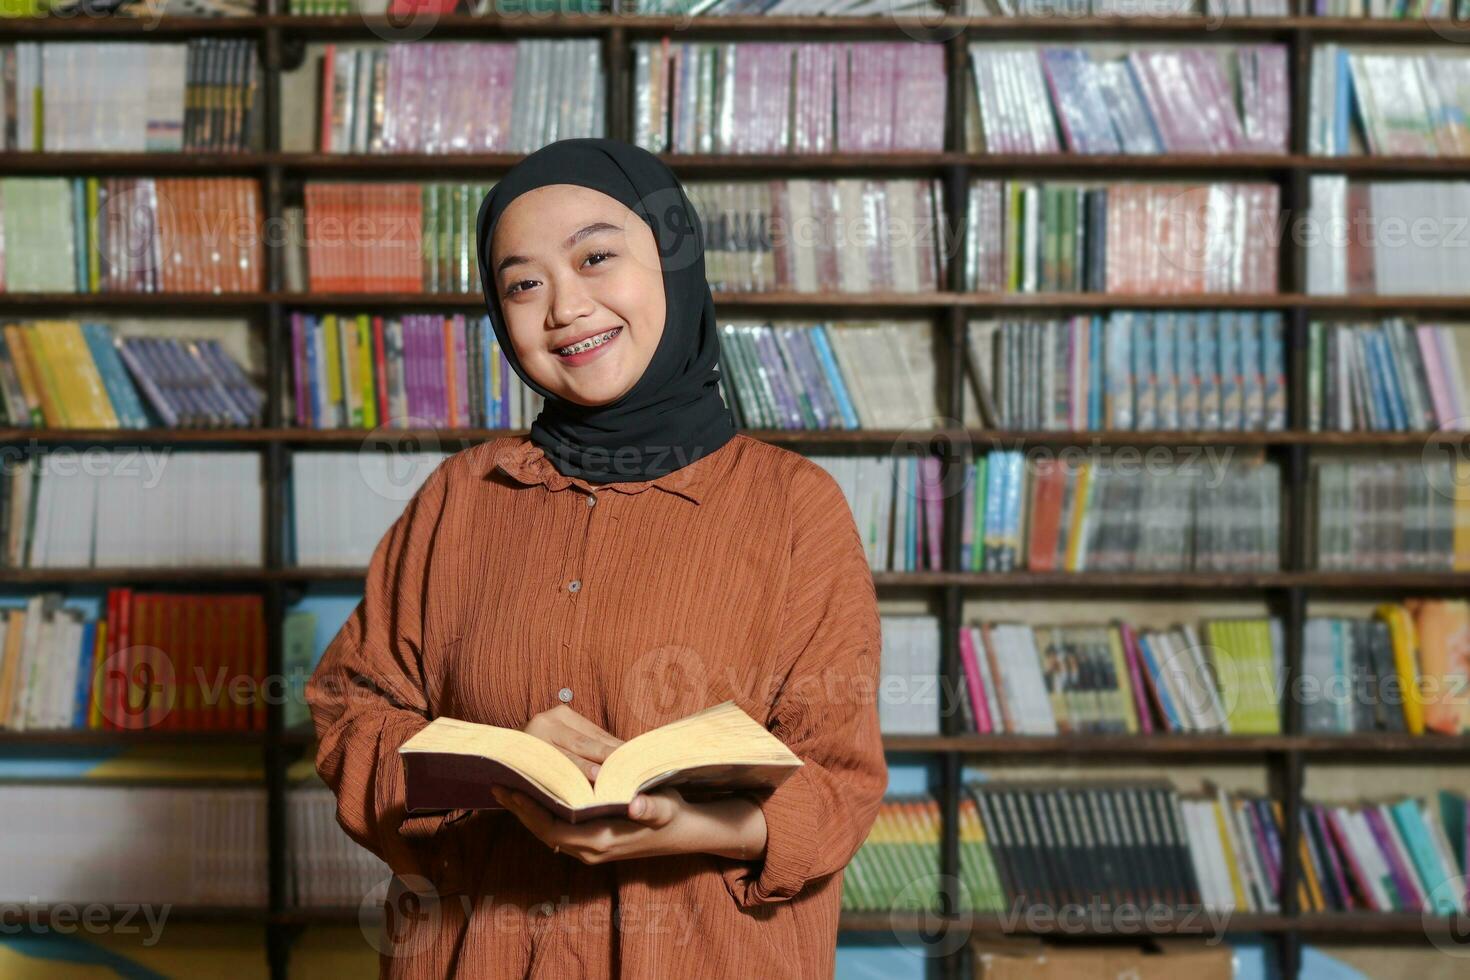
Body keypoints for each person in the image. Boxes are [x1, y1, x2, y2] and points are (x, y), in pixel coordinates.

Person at [306, 138, 886, 979]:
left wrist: (688, 825)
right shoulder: (459, 498)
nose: (564, 307)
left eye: (596, 257)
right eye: (523, 283)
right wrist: (496, 763)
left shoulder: (794, 507)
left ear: (672, 261)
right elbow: (350, 713)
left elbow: (839, 782)